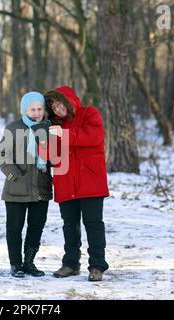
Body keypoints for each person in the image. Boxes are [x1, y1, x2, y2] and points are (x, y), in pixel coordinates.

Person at [44, 86, 110, 281]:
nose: (57, 110)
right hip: (65, 181)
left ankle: (97, 266)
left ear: (67, 99)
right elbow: (51, 155)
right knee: (69, 225)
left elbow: (94, 137)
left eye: (58, 104)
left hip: (90, 180)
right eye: (53, 107)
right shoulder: (54, 125)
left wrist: (63, 135)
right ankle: (71, 263)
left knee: (93, 224)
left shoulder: (89, 113)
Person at [0, 91, 53, 278]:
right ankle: (16, 264)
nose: (36, 113)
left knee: (36, 227)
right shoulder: (13, 128)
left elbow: (56, 156)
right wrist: (14, 176)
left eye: (40, 109)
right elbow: (1, 155)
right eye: (32, 109)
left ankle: (29, 263)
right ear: (25, 109)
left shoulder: (49, 128)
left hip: (40, 189)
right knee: (14, 228)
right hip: (16, 189)